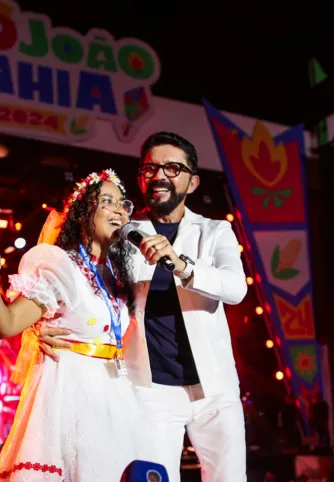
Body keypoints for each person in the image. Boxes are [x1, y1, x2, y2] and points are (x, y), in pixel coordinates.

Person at [40, 132, 248, 481]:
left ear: (192, 182)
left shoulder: (214, 232)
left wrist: (180, 264)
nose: (160, 176)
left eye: (172, 167)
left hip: (215, 389)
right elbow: (82, 279)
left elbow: (235, 288)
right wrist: (45, 318)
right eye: (151, 168)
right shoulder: (124, 232)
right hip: (151, 390)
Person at [0, 169, 160, 481]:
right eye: (107, 201)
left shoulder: (120, 271)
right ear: (83, 214)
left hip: (115, 392)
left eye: (123, 203)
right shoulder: (61, 267)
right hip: (72, 389)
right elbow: (7, 324)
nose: (119, 209)